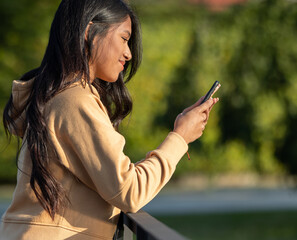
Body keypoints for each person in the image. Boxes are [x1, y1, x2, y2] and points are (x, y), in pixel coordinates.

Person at [0, 0, 218, 239]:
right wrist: (180, 138)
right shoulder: (75, 101)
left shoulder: (59, 96)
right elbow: (129, 190)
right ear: (89, 32)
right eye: (124, 38)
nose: (129, 53)